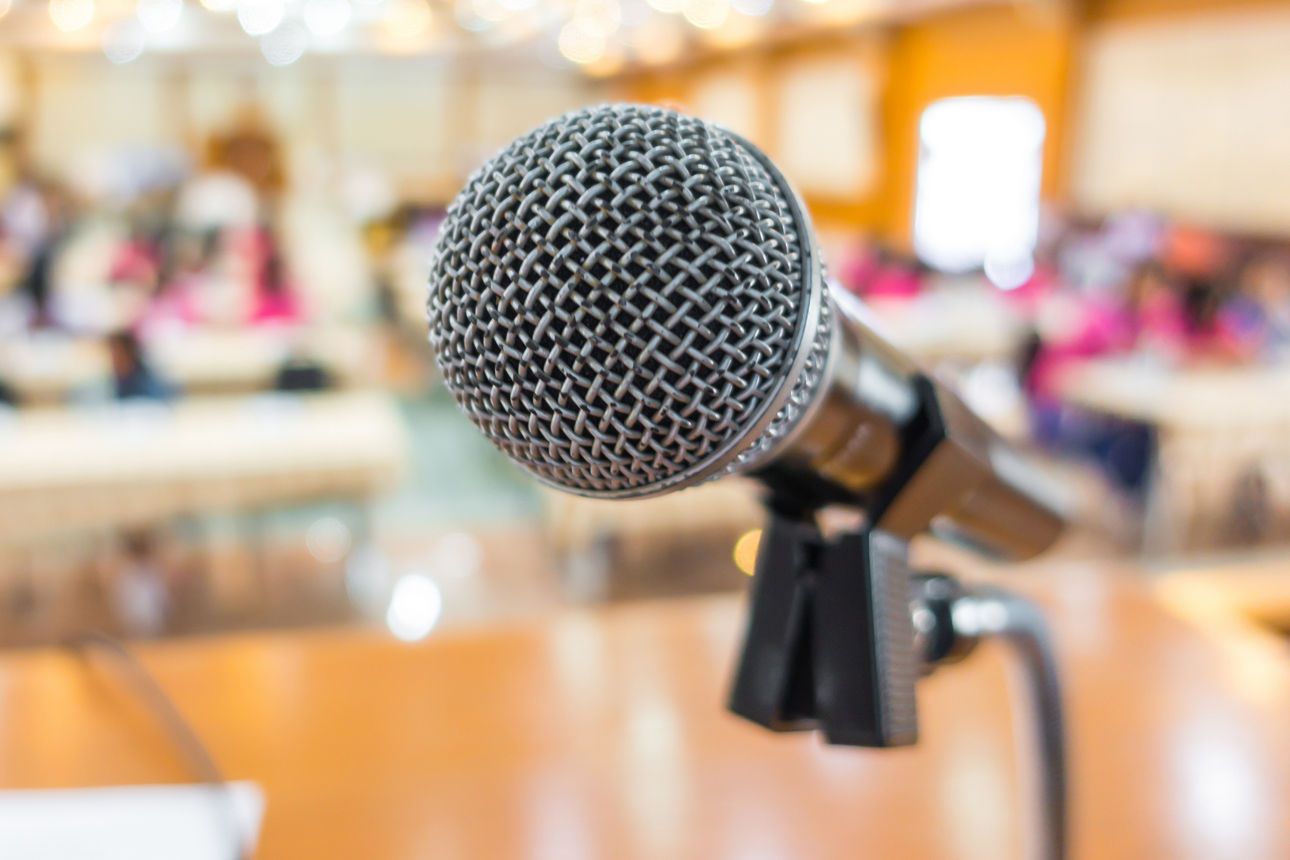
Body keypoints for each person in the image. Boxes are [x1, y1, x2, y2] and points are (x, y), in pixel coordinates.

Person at [106, 330, 174, 401]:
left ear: (128, 353)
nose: (114, 359)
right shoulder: (116, 379)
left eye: (117, 354)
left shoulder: (146, 381)